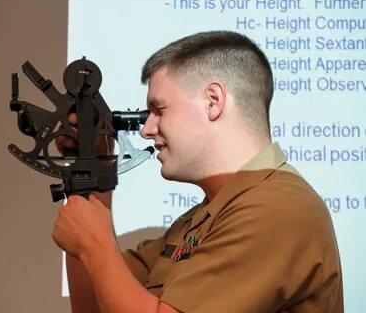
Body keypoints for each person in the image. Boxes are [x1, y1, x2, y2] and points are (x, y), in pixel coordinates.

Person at [52, 31, 343, 312]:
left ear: (213, 101)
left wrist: (94, 243)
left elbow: (97, 258)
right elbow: (94, 306)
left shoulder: (276, 208)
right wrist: (91, 168)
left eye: (159, 110)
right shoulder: (200, 220)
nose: (147, 130)